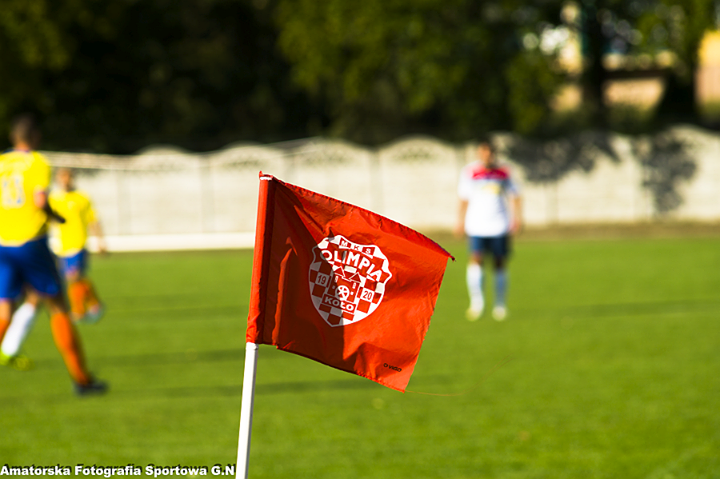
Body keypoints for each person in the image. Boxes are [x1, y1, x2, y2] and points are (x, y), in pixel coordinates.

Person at [0, 113, 106, 394]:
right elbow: (38, 201)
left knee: (5, 308)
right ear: (35, 137)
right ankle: (82, 379)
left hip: (3, 244)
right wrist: (55, 217)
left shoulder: (1, 162)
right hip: (31, 243)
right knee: (58, 306)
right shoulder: (36, 162)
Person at [455, 140, 522, 321]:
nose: (487, 156)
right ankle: (477, 303)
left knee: (499, 263)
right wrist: (460, 221)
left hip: (499, 224)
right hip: (476, 225)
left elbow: (515, 195)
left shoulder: (504, 172)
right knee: (476, 260)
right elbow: (463, 198)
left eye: (490, 153)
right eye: (483, 152)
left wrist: (517, 218)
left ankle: (500, 304)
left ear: (494, 154)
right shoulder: (470, 172)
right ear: (479, 153)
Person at [49, 167, 107, 323]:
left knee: (72, 277)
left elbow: (93, 219)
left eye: (68, 177)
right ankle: (95, 304)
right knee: (76, 278)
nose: (65, 180)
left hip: (78, 243)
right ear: (58, 179)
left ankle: (78, 311)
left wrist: (100, 240)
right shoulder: (54, 199)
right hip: (61, 246)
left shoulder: (82, 198)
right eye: (62, 177)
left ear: (72, 178)